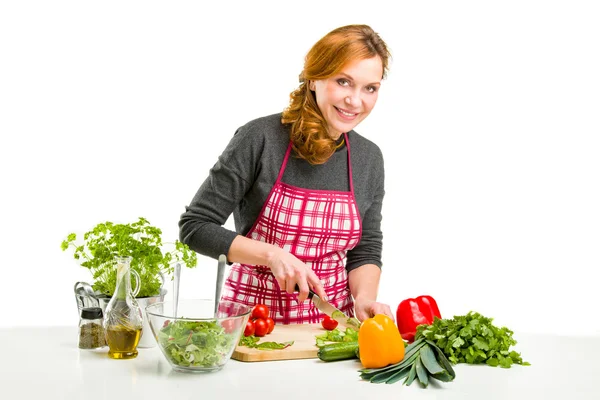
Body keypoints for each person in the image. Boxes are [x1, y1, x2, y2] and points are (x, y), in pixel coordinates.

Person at [179, 24, 394, 324]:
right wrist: (272, 255)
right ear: (314, 79)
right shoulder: (261, 138)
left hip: (332, 328)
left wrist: (365, 298)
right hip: (251, 326)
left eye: (370, 88)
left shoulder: (369, 158)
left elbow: (366, 247)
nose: (356, 101)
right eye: (344, 82)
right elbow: (195, 227)